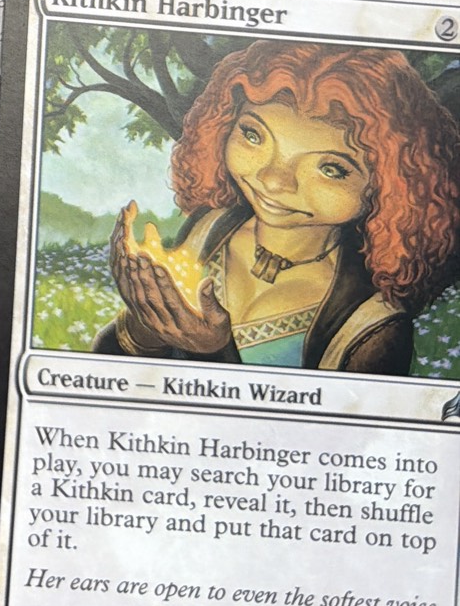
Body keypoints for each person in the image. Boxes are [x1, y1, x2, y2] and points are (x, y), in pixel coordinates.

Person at [96, 41, 460, 374]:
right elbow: (105, 371)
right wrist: (145, 326)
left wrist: (212, 351)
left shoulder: (373, 327)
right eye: (253, 135)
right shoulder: (209, 229)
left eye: (330, 169)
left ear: (391, 187)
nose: (273, 180)